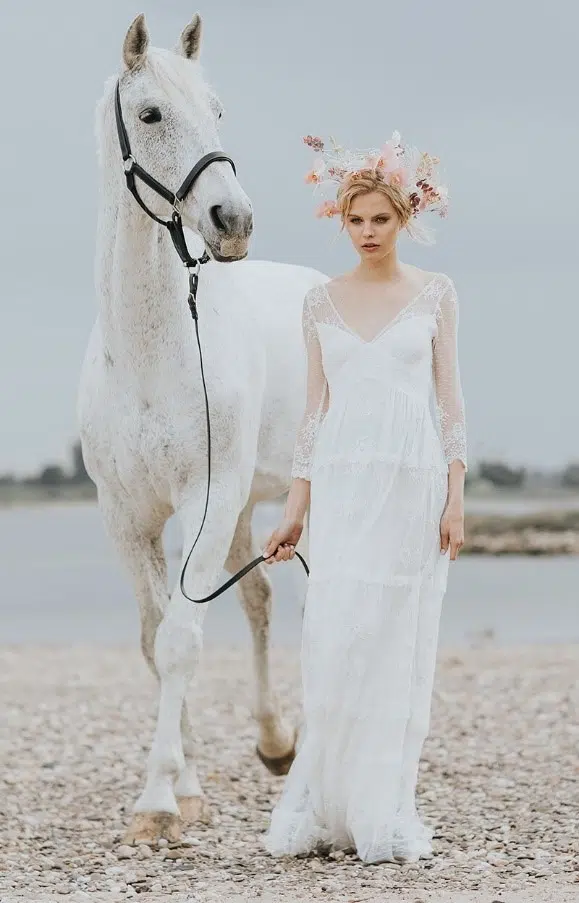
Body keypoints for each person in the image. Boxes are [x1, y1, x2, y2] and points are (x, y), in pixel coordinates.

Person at [260, 131, 467, 864]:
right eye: (356, 221)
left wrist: (454, 495)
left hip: (412, 482)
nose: (368, 232)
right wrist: (294, 508)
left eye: (380, 219)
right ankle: (324, 798)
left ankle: (383, 806)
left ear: (402, 219)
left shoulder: (435, 294)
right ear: (340, 223)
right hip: (342, 486)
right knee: (335, 638)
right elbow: (313, 412)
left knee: (395, 642)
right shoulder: (319, 301)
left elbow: (449, 403)